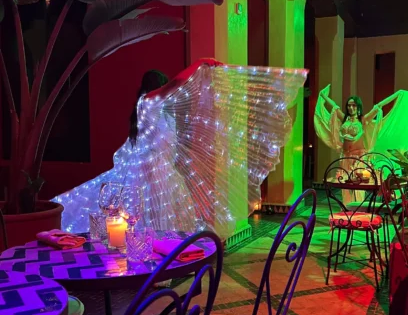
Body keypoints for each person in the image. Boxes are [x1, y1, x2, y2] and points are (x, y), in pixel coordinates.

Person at [54, 58, 308, 239]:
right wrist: (200, 63)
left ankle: (165, 255)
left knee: (164, 215)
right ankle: (154, 256)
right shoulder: (148, 101)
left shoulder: (156, 109)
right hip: (152, 172)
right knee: (153, 215)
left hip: (162, 169)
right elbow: (175, 83)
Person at [314, 85, 408, 202]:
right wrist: (323, 95)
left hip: (359, 156)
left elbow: (379, 105)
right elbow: (334, 106)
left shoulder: (363, 120)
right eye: (349, 105)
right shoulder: (344, 118)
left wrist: (397, 94)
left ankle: (357, 208)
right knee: (345, 184)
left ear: (358, 107)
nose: (351, 108)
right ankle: (347, 208)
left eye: (354, 105)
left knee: (358, 185)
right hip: (345, 156)